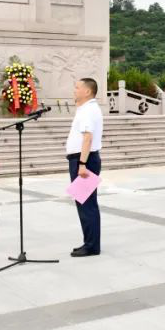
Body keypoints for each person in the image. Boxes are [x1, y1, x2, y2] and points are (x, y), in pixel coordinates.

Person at [67, 78, 103, 257]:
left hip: (84, 161)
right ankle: (90, 242)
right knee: (86, 204)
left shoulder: (88, 110)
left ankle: (91, 246)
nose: (74, 90)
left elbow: (87, 138)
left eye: (77, 87)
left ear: (87, 91)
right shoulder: (87, 108)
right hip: (85, 160)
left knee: (87, 205)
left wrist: (81, 164)